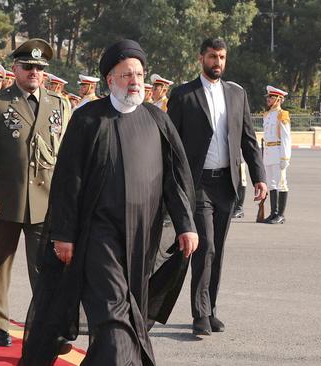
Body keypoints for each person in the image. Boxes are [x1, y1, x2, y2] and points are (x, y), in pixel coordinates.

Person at [20, 39, 199, 366]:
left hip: (143, 240)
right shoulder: (89, 119)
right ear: (110, 80)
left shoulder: (157, 121)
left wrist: (186, 225)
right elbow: (68, 180)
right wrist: (64, 233)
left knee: (126, 318)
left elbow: (176, 180)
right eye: (126, 75)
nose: (135, 82)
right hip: (98, 237)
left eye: (140, 75)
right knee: (114, 320)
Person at [0, 38, 68, 348]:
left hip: (45, 201)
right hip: (5, 200)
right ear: (15, 69)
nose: (34, 72)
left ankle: (46, 328)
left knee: (46, 269)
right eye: (28, 67)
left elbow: (65, 155)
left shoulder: (59, 104)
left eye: (40, 68)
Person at [166, 37, 267, 336]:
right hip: (197, 185)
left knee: (217, 249)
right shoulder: (184, 95)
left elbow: (248, 138)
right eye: (212, 57)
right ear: (201, 58)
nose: (218, 62)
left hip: (226, 183)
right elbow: (171, 143)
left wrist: (259, 175)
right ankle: (199, 314)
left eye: (222, 57)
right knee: (205, 245)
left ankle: (210, 309)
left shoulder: (237, 94)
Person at [262, 85, 291, 224]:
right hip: (268, 152)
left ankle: (281, 214)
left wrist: (285, 157)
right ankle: (273, 213)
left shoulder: (282, 115)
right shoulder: (267, 115)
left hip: (279, 151)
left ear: (279, 99)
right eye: (268, 97)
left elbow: (286, 137)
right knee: (271, 184)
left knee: (281, 183)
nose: (268, 99)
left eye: (271, 97)